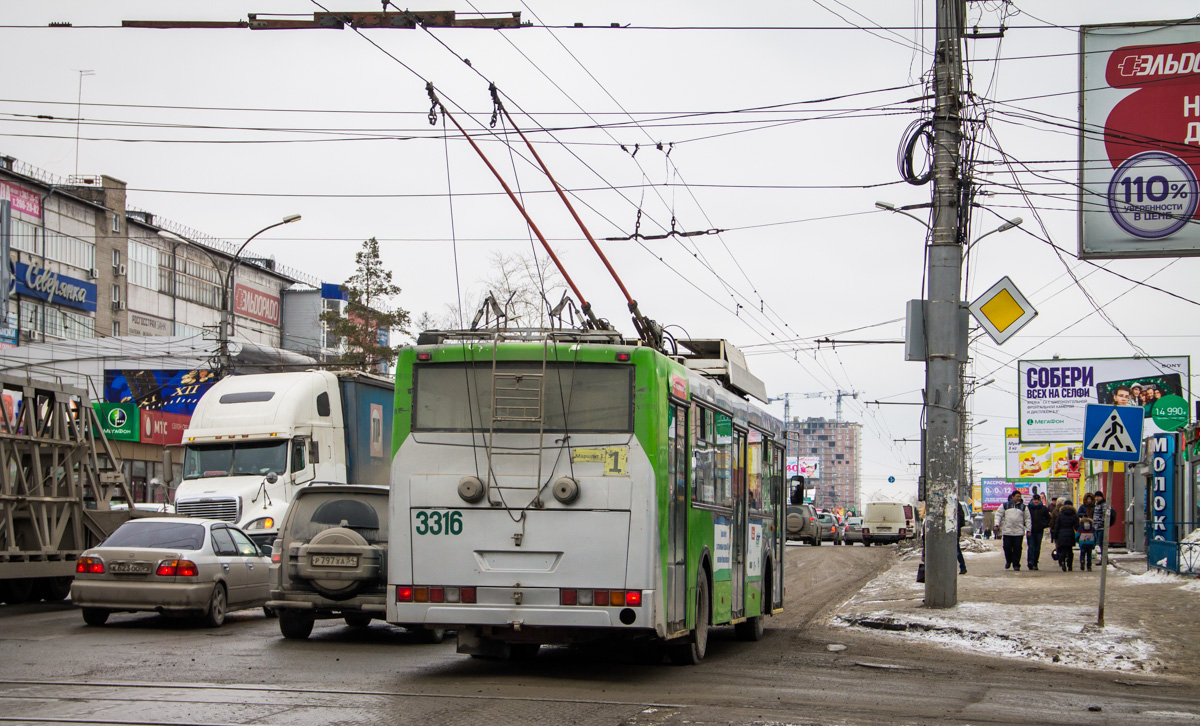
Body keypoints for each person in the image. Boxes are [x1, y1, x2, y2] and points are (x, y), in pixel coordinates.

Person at [997, 490, 1032, 571]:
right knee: (1007, 547)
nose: (1019, 498)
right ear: (1012, 497)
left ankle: (1016, 564)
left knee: (1017, 548)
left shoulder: (1024, 507)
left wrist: (1028, 529)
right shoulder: (1005, 505)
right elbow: (998, 515)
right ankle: (1008, 561)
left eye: (1020, 497)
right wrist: (996, 524)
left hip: (1018, 532)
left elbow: (1027, 519)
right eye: (1017, 496)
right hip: (1007, 531)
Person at [1052, 499, 1080, 571]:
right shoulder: (1074, 514)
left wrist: (1055, 537)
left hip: (1062, 534)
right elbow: (1077, 526)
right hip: (1070, 533)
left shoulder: (1060, 514)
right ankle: (1070, 565)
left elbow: (1057, 526)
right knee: (1070, 550)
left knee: (1063, 550)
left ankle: (1063, 563)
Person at [1026, 494, 1051, 570]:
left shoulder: (1043, 508)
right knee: (1031, 546)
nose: (1036, 501)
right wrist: (1027, 527)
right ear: (1032, 500)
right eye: (1034, 500)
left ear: (1040, 501)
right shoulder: (1028, 508)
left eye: (1037, 500)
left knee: (1037, 548)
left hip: (1039, 531)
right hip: (1030, 530)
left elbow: (1048, 518)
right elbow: (1024, 518)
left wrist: (1044, 524)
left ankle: (1035, 563)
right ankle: (1030, 561)